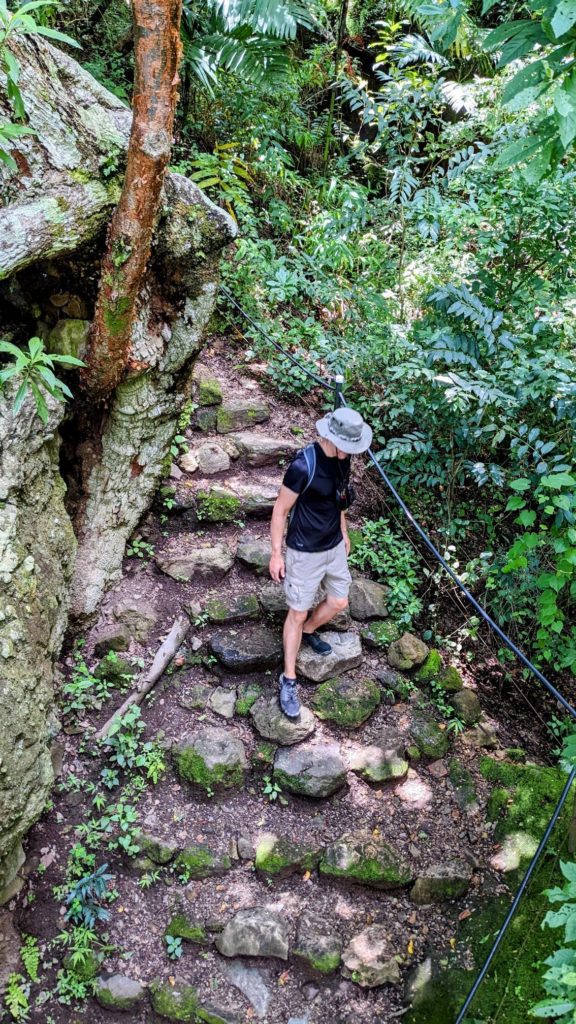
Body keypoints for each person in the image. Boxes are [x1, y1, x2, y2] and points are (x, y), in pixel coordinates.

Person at [269, 406, 372, 718]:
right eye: (349, 447)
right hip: (304, 550)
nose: (352, 453)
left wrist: (344, 531)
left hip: (334, 546)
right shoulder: (304, 465)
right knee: (296, 613)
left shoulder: (345, 458)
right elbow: (280, 510)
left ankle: (311, 630)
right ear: (333, 437)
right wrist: (277, 553)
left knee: (339, 601)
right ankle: (288, 679)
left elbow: (338, 497)